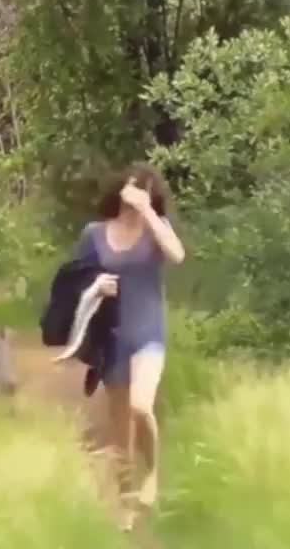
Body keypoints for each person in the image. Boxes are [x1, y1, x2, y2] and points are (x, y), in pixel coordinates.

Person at [74, 162, 185, 528]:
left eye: (146, 189)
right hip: (112, 339)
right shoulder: (95, 233)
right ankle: (124, 503)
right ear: (120, 188)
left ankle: (152, 474)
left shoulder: (156, 230)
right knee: (121, 434)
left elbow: (177, 255)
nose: (137, 191)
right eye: (134, 186)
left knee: (142, 405)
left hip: (148, 333)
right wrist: (96, 286)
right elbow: (76, 280)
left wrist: (149, 212)